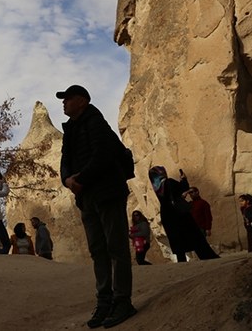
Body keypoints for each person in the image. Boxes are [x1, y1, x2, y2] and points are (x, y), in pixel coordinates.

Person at [56, 84, 136, 329]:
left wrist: (79, 179)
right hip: (87, 197)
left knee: (116, 247)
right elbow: (64, 163)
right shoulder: (70, 131)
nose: (64, 103)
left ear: (82, 101)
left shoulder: (96, 123)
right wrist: (67, 179)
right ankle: (105, 300)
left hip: (107, 192)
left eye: (67, 99)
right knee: (98, 250)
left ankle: (122, 301)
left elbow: (103, 155)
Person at [148, 166, 218, 262]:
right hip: (179, 213)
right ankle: (206, 256)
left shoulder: (158, 189)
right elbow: (183, 187)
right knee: (194, 235)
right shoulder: (169, 182)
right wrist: (183, 179)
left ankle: (181, 260)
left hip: (167, 215)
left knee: (176, 238)